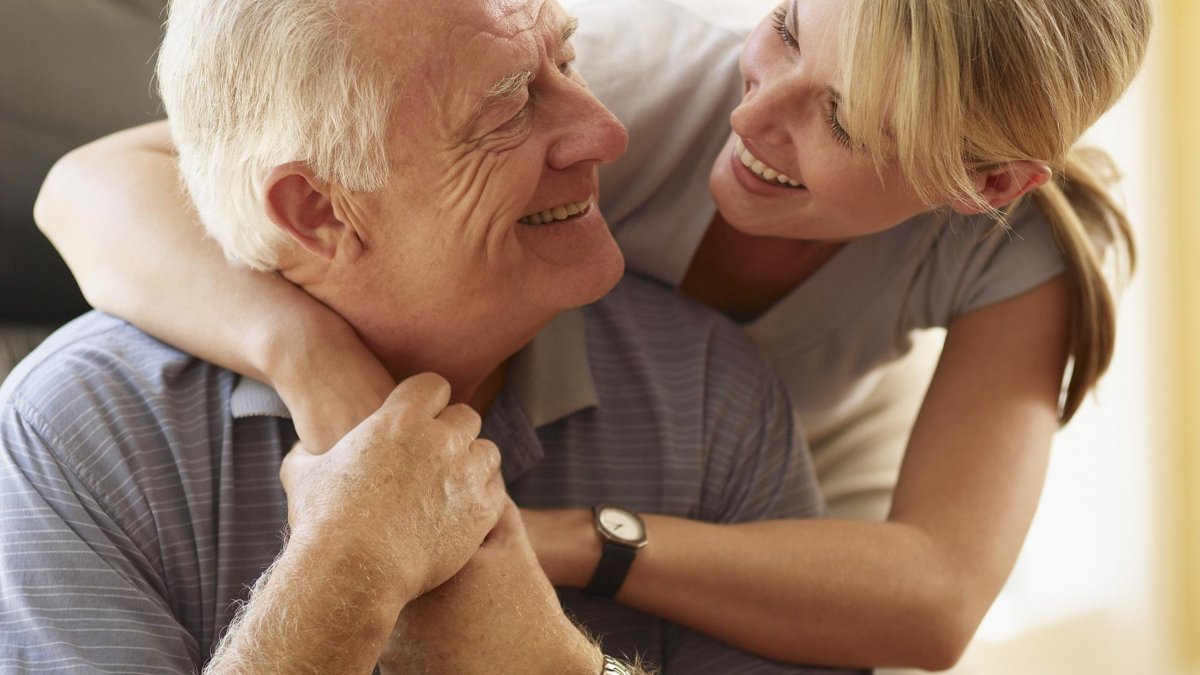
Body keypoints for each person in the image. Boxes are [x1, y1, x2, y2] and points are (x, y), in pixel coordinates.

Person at [34, 0, 1151, 670]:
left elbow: (935, 597)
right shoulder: (628, 67)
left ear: (987, 181)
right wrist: (332, 383)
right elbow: (95, 183)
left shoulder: (1008, 258)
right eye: (785, 32)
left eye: (847, 118)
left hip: (786, 463)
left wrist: (541, 537)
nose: (753, 115)